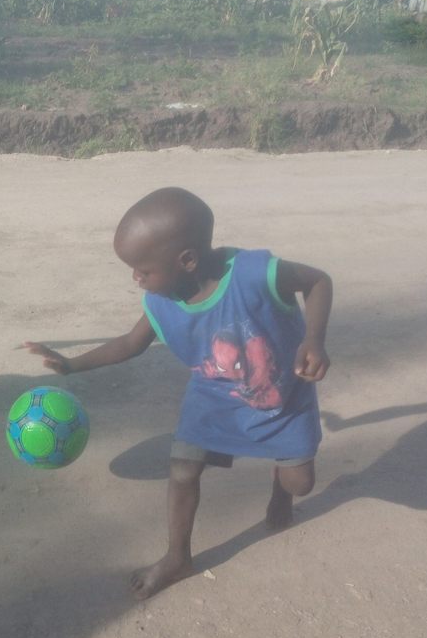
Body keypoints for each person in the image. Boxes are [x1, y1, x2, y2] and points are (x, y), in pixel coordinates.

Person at [25, 187, 332, 599]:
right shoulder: (162, 302)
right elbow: (129, 344)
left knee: (299, 484)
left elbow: (318, 281)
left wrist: (313, 340)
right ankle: (177, 557)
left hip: (281, 395)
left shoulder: (255, 274)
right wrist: (72, 364)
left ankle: (280, 486)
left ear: (187, 260)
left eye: (143, 270)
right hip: (214, 396)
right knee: (183, 469)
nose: (136, 279)